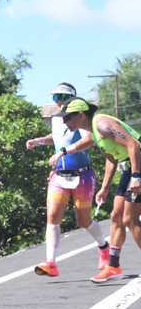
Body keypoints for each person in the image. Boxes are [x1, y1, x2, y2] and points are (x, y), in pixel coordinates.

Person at [25, 83, 109, 276]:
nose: (59, 101)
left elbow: (90, 140)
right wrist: (37, 141)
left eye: (62, 97)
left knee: (83, 219)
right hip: (60, 175)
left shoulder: (81, 118)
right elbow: (56, 138)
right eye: (55, 98)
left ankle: (103, 246)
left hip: (82, 175)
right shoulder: (57, 120)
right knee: (53, 217)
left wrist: (64, 151)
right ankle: (51, 263)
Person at [56, 97, 141, 283]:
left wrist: (137, 176)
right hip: (129, 168)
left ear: (80, 115)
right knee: (116, 216)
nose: (65, 122)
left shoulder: (101, 123)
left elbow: (134, 144)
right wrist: (104, 188)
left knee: (129, 218)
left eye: (67, 118)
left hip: (138, 167)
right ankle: (113, 266)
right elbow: (112, 159)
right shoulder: (94, 132)